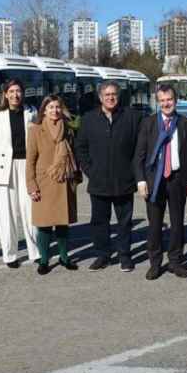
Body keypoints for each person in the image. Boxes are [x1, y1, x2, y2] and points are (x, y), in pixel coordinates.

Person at [74, 80, 143, 273]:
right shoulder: (88, 119)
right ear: (100, 97)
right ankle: (102, 255)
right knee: (99, 222)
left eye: (114, 94)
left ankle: (125, 256)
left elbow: (140, 147)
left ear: (118, 96)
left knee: (124, 222)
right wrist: (90, 170)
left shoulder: (131, 117)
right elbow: (80, 147)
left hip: (124, 180)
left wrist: (133, 171)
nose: (111, 98)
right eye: (107, 95)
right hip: (99, 181)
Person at [135, 84, 187, 280]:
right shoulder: (148, 123)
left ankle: (175, 261)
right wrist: (141, 180)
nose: (166, 103)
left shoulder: (185, 123)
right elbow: (139, 155)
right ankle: (155, 263)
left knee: (177, 223)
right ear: (158, 102)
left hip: (178, 179)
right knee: (154, 225)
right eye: (162, 100)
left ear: (175, 100)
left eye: (169, 99)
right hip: (154, 180)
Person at [0, 79, 38, 268]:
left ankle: (35, 251)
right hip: (2, 168)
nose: (16, 95)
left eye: (19, 91)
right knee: (6, 213)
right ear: (5, 94)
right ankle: (10, 255)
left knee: (30, 210)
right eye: (12, 91)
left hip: (27, 166)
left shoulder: (31, 111)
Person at [26, 95, 80, 275]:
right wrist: (31, 185)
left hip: (64, 180)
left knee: (63, 223)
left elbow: (74, 156)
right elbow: (30, 161)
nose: (54, 111)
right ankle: (43, 259)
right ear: (44, 111)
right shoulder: (35, 130)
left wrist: (76, 177)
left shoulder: (69, 130)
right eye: (50, 107)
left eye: (57, 107)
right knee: (44, 224)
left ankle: (64, 258)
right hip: (44, 181)